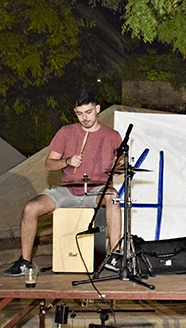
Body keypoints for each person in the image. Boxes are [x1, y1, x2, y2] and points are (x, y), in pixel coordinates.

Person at [5, 88, 123, 276]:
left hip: (96, 190)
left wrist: (120, 163)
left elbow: (120, 163)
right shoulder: (66, 132)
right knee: (30, 208)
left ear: (97, 109)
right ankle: (25, 261)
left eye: (88, 112)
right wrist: (67, 161)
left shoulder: (112, 136)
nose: (84, 118)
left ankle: (115, 255)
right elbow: (49, 164)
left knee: (113, 197)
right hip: (67, 189)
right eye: (79, 113)